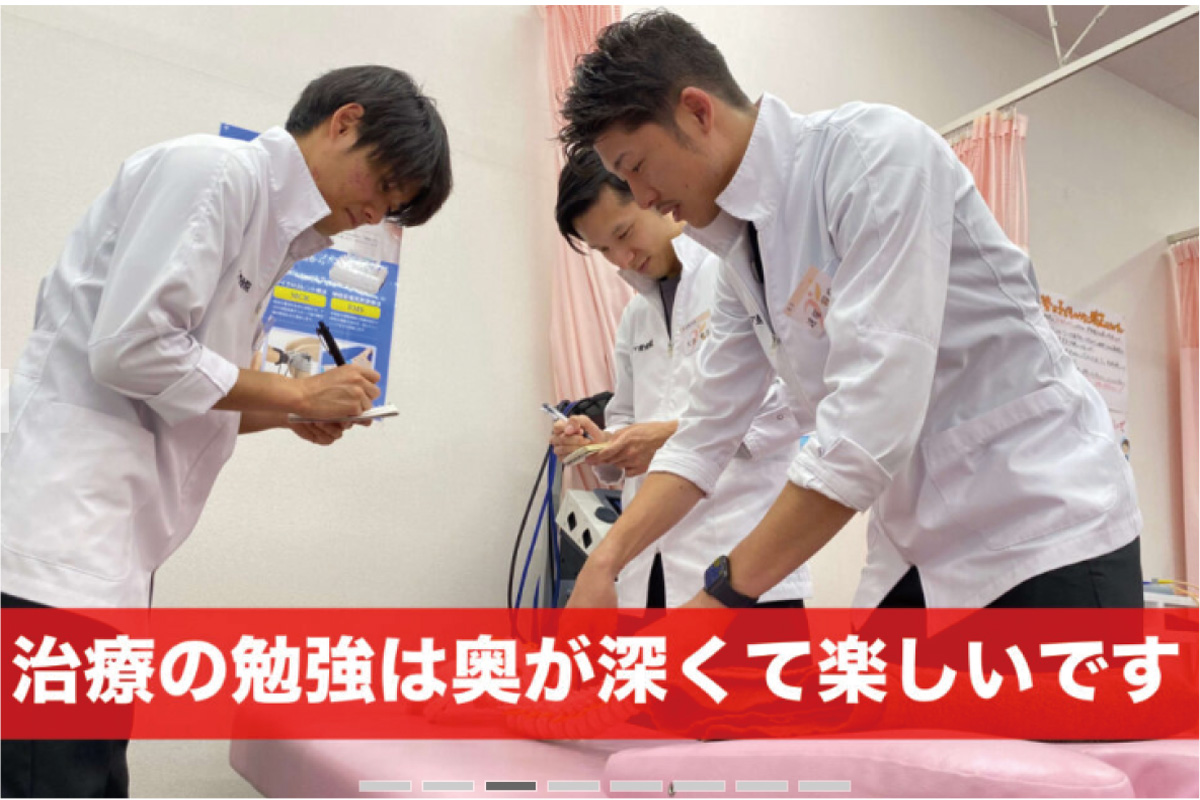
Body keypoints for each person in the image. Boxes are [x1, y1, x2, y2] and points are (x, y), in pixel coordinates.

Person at [557, 10, 1142, 611]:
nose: (645, 196)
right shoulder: (741, 253)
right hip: (919, 539)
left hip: (1042, 520)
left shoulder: (871, 157)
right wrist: (606, 560)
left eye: (636, 168)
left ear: (697, 112)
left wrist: (717, 603)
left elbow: (867, 424)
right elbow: (705, 433)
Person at [0, 64, 452, 796]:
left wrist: (295, 410)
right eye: (384, 183)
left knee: (92, 777)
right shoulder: (218, 173)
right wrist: (296, 390)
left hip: (111, 555)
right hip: (59, 545)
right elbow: (128, 349)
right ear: (345, 121)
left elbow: (185, 394)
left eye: (394, 207)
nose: (376, 212)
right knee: (52, 779)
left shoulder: (274, 238)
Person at [551, 149, 811, 609]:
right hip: (647, 571)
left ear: (648, 195)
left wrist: (667, 437)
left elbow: (798, 399)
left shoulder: (736, 271)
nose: (622, 258)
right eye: (604, 250)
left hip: (741, 555)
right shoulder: (636, 315)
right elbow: (626, 419)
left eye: (623, 234)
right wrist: (602, 445)